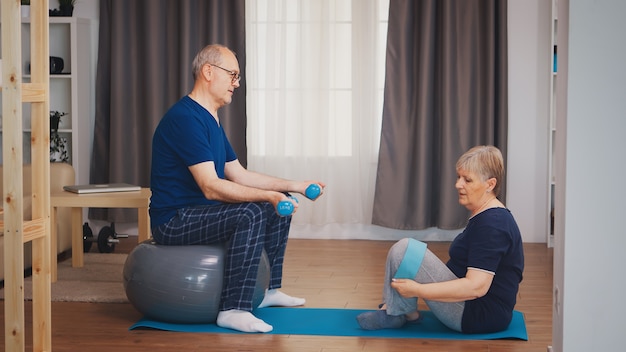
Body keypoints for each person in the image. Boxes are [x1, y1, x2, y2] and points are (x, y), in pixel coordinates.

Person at [150, 44, 325, 333]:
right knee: (252, 212)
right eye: (232, 75)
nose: (237, 83)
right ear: (208, 72)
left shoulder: (210, 118)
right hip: (174, 220)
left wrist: (294, 186)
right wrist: (267, 197)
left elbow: (239, 174)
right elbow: (211, 187)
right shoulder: (185, 118)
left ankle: (269, 290)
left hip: (199, 213)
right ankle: (233, 308)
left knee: (273, 206)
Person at [357, 145, 524, 334]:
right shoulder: (487, 215)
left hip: (477, 315)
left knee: (405, 249)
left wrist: (417, 290)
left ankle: (396, 313)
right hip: (473, 306)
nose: (458, 184)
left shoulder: (493, 225)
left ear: (490, 184)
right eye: (459, 177)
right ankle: (403, 313)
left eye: (467, 180)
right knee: (406, 250)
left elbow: (476, 287)